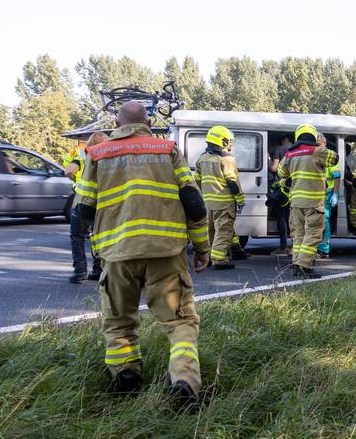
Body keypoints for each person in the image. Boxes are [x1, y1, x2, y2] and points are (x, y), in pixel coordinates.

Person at [74, 101, 209, 409]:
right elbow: (194, 203)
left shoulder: (96, 154)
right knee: (181, 322)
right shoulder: (168, 150)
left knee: (119, 321)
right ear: (148, 122)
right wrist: (202, 249)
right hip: (166, 251)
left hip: (117, 254)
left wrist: (92, 252)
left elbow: (82, 210)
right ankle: (184, 380)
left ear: (116, 123)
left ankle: (126, 374)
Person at [278, 123, 336, 278]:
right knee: (312, 234)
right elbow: (335, 159)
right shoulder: (318, 151)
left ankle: (297, 265)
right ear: (313, 136)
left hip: (296, 203)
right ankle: (305, 266)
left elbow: (281, 173)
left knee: (298, 235)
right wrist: (320, 144)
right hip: (314, 203)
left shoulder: (289, 154)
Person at [195, 126, 247, 270]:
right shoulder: (227, 159)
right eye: (229, 141)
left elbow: (197, 181)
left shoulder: (202, 158)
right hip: (224, 203)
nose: (231, 144)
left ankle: (210, 257)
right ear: (222, 141)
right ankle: (219, 259)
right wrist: (240, 200)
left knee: (210, 231)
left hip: (207, 203)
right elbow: (233, 182)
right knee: (224, 231)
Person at [64, 132, 108, 283]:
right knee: (98, 238)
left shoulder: (85, 155)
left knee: (77, 237)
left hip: (83, 202)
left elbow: (69, 171)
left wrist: (76, 179)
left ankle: (80, 272)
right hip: (103, 204)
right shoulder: (111, 158)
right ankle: (98, 270)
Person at [317, 136, 342, 259]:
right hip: (317, 194)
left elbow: (337, 176)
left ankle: (324, 249)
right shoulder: (315, 155)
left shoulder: (329, 156)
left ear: (324, 143)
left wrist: (336, 194)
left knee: (324, 221)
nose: (317, 146)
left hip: (327, 194)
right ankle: (318, 248)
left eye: (319, 144)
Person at [268, 136, 292, 256]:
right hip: (294, 190)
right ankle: (295, 246)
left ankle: (283, 247)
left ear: (284, 139)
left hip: (281, 190)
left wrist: (266, 160)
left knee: (281, 218)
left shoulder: (279, 149)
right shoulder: (296, 150)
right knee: (293, 219)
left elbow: (274, 168)